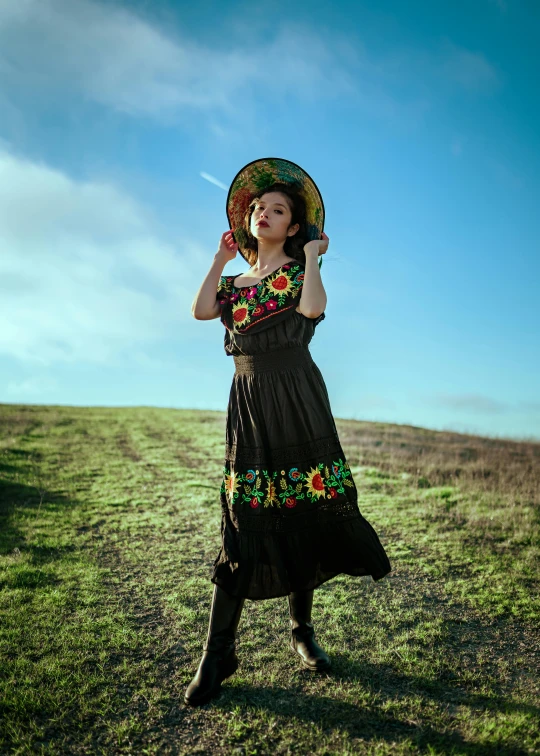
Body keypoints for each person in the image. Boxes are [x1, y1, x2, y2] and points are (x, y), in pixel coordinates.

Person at [185, 158, 391, 707]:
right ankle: (217, 654)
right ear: (248, 222)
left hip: (298, 397)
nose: (265, 213)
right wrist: (219, 259)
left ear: (294, 226)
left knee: (304, 509)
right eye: (258, 208)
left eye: (278, 210)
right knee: (242, 521)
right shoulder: (234, 282)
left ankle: (301, 628)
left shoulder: (301, 275)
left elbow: (314, 310)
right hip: (249, 402)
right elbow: (202, 310)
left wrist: (315, 259)